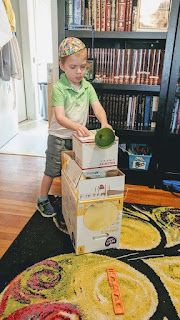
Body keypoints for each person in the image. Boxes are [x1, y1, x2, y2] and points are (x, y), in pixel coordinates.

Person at [37, 37, 112, 218]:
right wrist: (77, 126)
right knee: (52, 171)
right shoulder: (59, 88)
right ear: (62, 66)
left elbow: (98, 107)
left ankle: (69, 196)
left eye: (83, 66)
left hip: (77, 138)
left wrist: (105, 123)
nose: (79, 72)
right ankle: (42, 199)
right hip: (58, 138)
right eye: (73, 67)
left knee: (74, 171)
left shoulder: (87, 87)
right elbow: (60, 117)